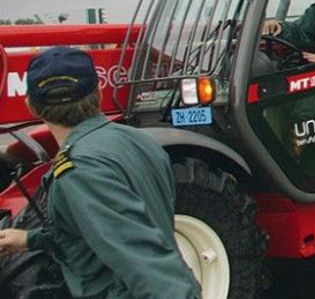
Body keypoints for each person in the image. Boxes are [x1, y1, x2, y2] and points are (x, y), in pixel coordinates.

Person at [0, 47, 200, 299]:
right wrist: (29, 240)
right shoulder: (139, 141)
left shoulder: (81, 171)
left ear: (31, 106)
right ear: (98, 91)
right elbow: (103, 231)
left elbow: (145, 263)